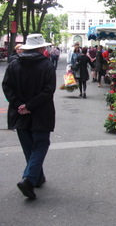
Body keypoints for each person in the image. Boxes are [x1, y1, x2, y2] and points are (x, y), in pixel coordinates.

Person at [2, 33, 56, 199]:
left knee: (29, 147)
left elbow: (7, 87)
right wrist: (29, 105)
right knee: (40, 145)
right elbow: (48, 91)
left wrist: (19, 105)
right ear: (40, 48)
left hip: (19, 114)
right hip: (41, 113)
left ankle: (37, 178)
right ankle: (29, 179)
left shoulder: (14, 64)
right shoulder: (46, 65)